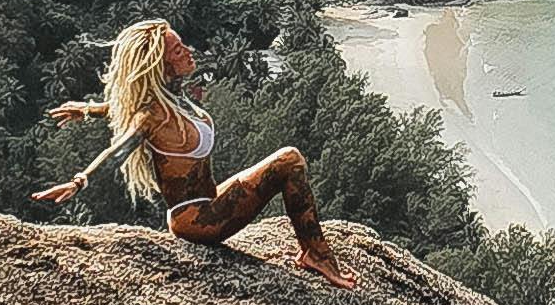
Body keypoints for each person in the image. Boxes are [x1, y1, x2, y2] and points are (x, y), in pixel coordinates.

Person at [33, 18, 350, 282]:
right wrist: (79, 181)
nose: (187, 51)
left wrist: (89, 110)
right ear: (162, 64)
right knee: (289, 160)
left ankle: (313, 251)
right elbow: (119, 150)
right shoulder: (153, 114)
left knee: (284, 160)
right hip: (196, 219)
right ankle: (316, 253)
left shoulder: (170, 101)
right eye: (177, 49)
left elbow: (128, 104)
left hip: (208, 202)